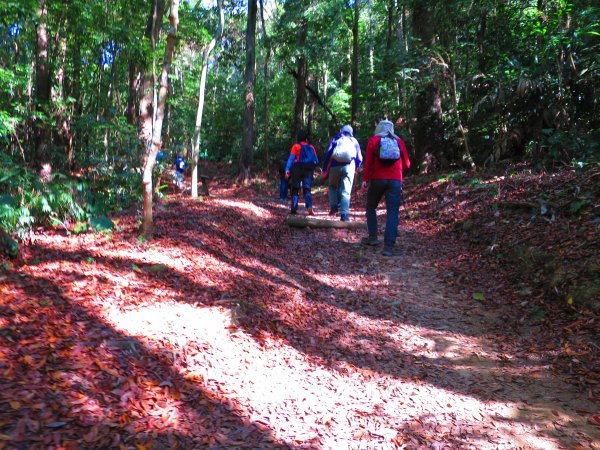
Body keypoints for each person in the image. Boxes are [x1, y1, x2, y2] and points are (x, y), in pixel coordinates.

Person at [361, 119, 411, 256]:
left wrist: (365, 180)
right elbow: (407, 164)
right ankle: (388, 246)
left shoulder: (374, 140)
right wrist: (400, 174)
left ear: (378, 128)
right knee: (393, 212)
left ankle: (373, 238)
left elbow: (368, 163)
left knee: (371, 206)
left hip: (377, 179)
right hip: (395, 181)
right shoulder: (399, 141)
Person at [321, 124, 362, 222]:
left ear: (342, 131)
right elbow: (359, 157)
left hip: (335, 166)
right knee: (346, 190)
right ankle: (344, 214)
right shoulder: (354, 141)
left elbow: (328, 154)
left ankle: (334, 207)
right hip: (349, 166)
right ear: (351, 132)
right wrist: (357, 167)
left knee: (332, 186)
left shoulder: (336, 139)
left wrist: (324, 169)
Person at [285, 130, 319, 215]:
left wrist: (287, 170)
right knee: (307, 188)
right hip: (308, 169)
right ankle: (309, 206)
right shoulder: (311, 147)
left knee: (295, 188)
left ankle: (293, 208)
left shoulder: (296, 146)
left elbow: (291, 159)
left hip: (297, 168)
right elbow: (316, 160)